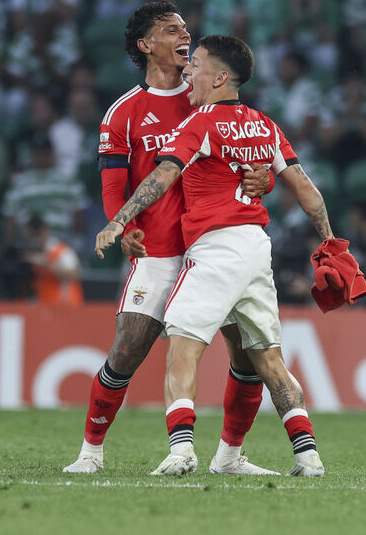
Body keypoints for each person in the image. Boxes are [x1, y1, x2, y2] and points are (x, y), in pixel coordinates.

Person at [95, 35, 336, 477]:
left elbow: (163, 176)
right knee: (269, 359)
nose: (189, 71)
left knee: (182, 349)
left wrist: (119, 220)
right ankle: (307, 455)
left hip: (215, 248)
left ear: (220, 77)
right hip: (257, 247)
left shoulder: (201, 122)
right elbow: (305, 188)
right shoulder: (265, 124)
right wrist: (331, 242)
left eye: (198, 65)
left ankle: (182, 449)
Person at [63, 2, 273, 475]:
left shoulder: (208, 94)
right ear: (145, 45)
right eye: (171, 29)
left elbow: (251, 160)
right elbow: (113, 186)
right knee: (126, 351)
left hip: (215, 245)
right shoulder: (123, 112)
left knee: (246, 357)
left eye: (185, 28)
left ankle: (231, 456)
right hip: (158, 250)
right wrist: (122, 226)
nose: (185, 35)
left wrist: (263, 180)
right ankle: (90, 452)